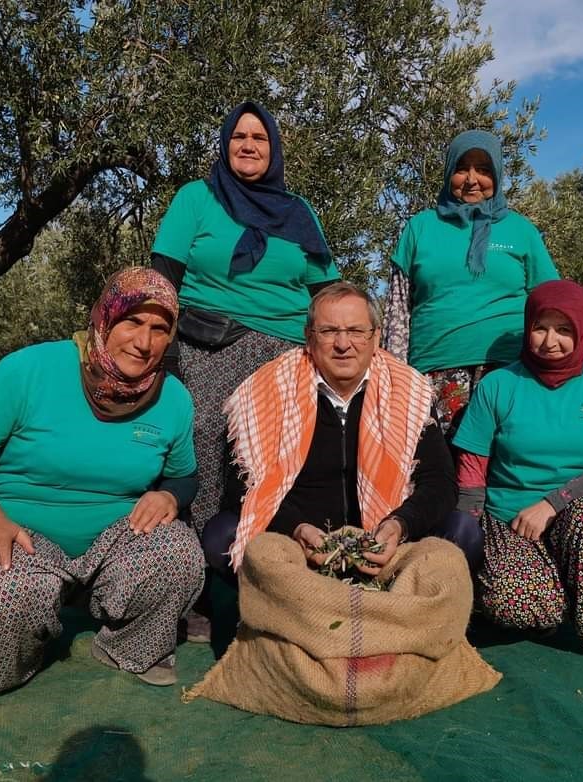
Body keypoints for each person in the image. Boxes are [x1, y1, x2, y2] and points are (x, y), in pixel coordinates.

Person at [0, 268, 204, 704]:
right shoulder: (30, 370)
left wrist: (168, 494)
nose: (144, 341)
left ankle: (127, 647)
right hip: (21, 533)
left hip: (117, 540)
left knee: (179, 554)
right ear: (103, 318)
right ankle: (2, 661)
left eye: (159, 328)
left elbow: (184, 475)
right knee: (10, 595)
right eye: (131, 321)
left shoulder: (173, 398)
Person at [150, 101, 339, 636]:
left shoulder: (298, 212)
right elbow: (162, 277)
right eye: (239, 137)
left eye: (259, 137)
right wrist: (159, 351)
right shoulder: (196, 198)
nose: (249, 145)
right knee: (206, 441)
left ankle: (275, 587)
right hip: (208, 343)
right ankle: (194, 592)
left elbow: (326, 291)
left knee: (276, 462)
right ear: (225, 145)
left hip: (283, 352)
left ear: (274, 149)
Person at [453, 280, 583, 696]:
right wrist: (462, 543)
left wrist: (552, 503)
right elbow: (473, 469)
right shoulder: (498, 385)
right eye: (541, 328)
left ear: (582, 330)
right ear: (528, 327)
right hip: (512, 521)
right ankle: (566, 597)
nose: (551, 341)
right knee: (515, 605)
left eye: (564, 330)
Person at [202, 282, 482, 583]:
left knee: (462, 532)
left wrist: (400, 525)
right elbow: (243, 488)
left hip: (387, 544)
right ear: (309, 338)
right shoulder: (267, 391)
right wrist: (297, 528)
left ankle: (406, 621)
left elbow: (439, 483)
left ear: (375, 339)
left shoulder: (407, 393)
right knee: (222, 536)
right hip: (298, 547)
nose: (343, 344)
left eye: (356, 331)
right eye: (329, 331)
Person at [383, 129, 559, 436]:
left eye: (484, 169)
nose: (471, 179)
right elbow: (397, 311)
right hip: (433, 371)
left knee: (505, 465)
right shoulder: (420, 227)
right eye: (462, 168)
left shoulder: (521, 231)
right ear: (449, 171)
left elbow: (551, 306)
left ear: (498, 174)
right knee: (442, 469)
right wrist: (394, 379)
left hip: (510, 369)